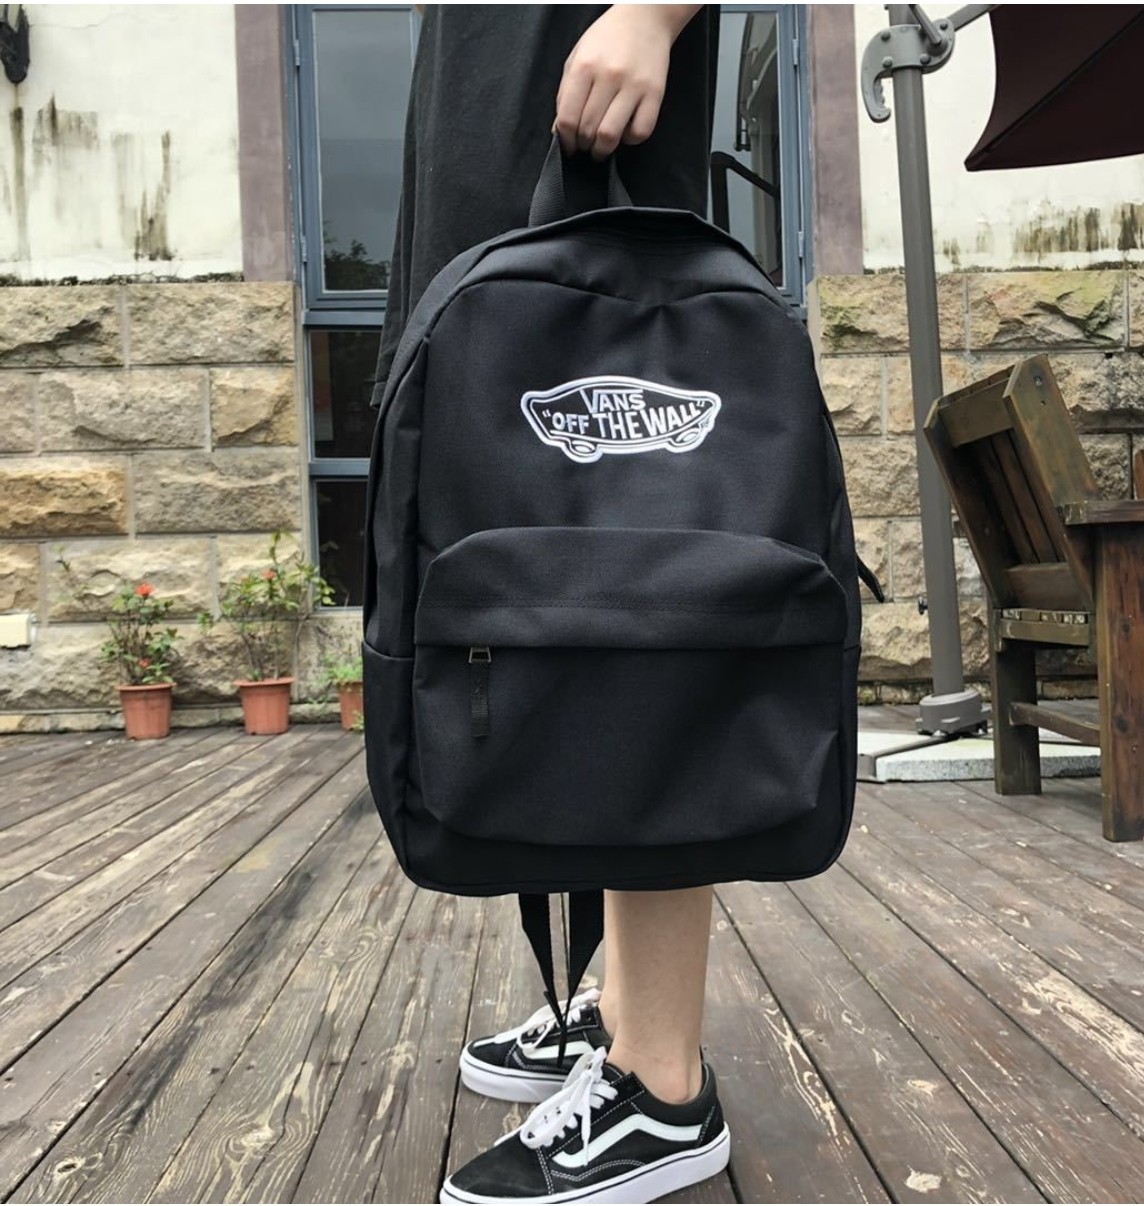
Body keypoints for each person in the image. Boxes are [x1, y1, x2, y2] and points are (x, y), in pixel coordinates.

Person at [369, 7, 728, 1203]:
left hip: (598, 102)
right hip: (487, 164)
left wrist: (652, 13)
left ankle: (662, 1083)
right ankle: (618, 1008)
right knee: (551, 595)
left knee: (629, 595)